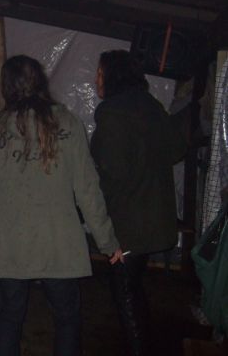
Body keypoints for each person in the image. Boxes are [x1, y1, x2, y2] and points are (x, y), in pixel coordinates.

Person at [0, 55, 122, 356]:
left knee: (10, 314)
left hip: (12, 238)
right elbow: (87, 190)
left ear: (6, 86)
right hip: (58, 239)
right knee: (66, 318)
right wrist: (108, 242)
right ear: (41, 81)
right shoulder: (68, 122)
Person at [90, 50, 186, 356]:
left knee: (125, 293)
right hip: (155, 219)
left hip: (127, 225)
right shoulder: (150, 105)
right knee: (133, 287)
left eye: (100, 73)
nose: (96, 80)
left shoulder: (111, 112)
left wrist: (96, 215)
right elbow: (176, 149)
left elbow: (112, 172)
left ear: (113, 75)